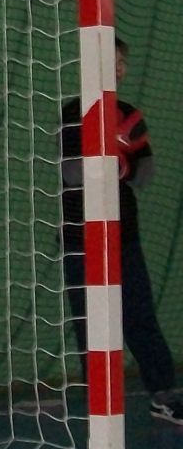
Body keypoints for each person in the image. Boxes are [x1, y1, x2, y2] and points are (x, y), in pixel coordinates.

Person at [61, 37, 183, 424]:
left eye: (121, 62)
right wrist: (108, 157)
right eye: (110, 60)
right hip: (81, 238)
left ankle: (164, 395)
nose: (117, 68)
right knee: (90, 322)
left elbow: (144, 173)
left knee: (139, 314)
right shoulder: (74, 112)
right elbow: (71, 173)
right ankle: (98, 407)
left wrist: (122, 165)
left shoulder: (129, 115)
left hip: (123, 236)